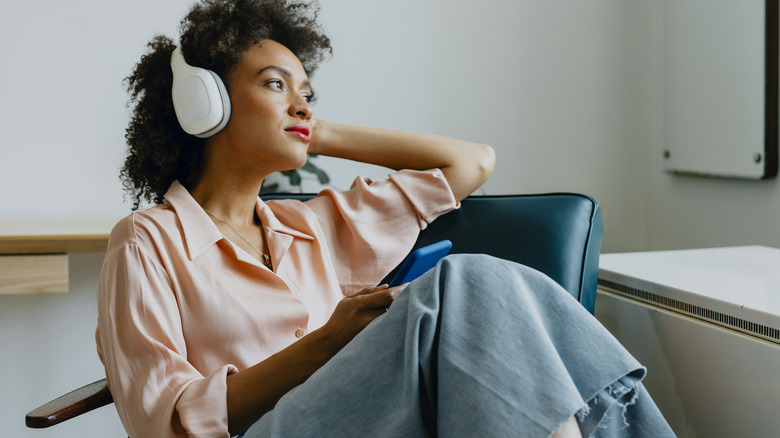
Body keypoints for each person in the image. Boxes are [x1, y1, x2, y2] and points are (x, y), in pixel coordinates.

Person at [95, 1, 675, 437]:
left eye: (308, 92)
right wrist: (326, 345)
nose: (302, 104)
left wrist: (309, 131)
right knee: (465, 280)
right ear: (206, 102)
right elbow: (164, 423)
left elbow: (471, 162)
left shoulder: (314, 225)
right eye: (275, 85)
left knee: (495, 286)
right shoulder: (146, 243)